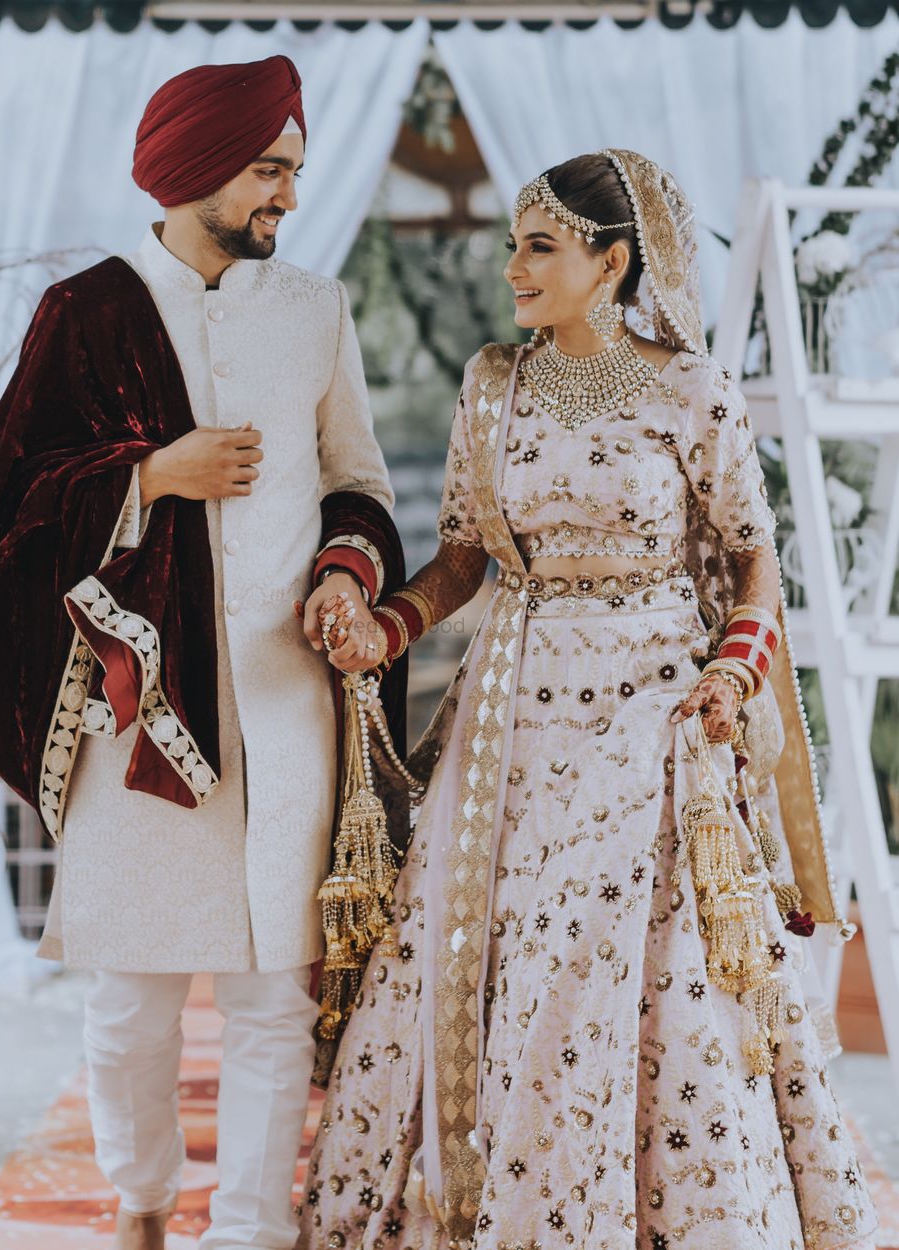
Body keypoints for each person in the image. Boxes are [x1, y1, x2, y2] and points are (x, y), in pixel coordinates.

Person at [299, 150, 878, 1250]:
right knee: (494, 955)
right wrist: (390, 624)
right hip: (510, 712)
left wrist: (730, 669)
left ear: (611, 261)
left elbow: (756, 566)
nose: (511, 264)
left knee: (608, 958)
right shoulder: (491, 381)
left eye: (539, 245)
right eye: (514, 241)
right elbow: (464, 554)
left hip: (651, 713)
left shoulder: (689, 391)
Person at [0, 56, 404, 1250]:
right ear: (194, 169)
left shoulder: (315, 311)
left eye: (294, 169)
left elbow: (362, 485)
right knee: (132, 1001)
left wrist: (348, 569)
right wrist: (146, 477)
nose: (287, 194)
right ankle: (141, 1206)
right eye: (267, 170)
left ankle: (248, 1229)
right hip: (138, 714)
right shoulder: (84, 312)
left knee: (267, 1001)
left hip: (287, 711)